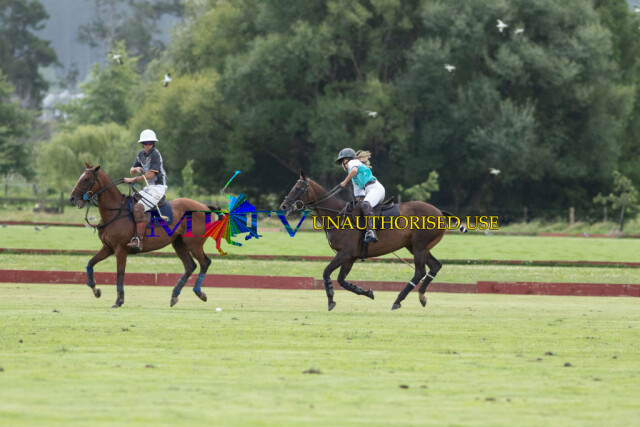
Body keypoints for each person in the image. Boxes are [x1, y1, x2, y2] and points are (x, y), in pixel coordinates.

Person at [123, 129, 168, 251]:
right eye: (145, 143)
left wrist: (132, 180)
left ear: (153, 143)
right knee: (130, 202)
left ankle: (139, 240)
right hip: (148, 188)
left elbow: (150, 175)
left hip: (158, 187)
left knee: (138, 208)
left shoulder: (155, 154)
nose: (148, 145)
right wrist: (136, 169)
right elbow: (131, 170)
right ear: (142, 143)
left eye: (150, 143)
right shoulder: (140, 154)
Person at [336, 148, 385, 243]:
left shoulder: (353, 162)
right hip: (370, 191)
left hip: (376, 188)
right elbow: (359, 196)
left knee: (365, 204)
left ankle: (371, 232)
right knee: (360, 207)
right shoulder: (354, 179)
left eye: (342, 162)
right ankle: (364, 232)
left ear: (345, 160)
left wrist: (344, 182)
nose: (342, 164)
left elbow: (353, 171)